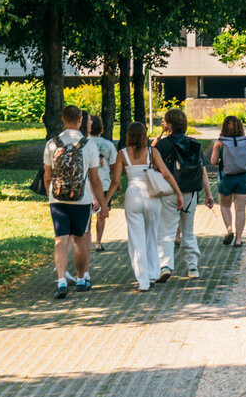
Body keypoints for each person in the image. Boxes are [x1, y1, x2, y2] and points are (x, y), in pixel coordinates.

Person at [106, 122, 183, 291]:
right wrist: (177, 193)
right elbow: (167, 174)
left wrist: (105, 203)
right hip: (152, 197)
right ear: (144, 135)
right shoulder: (152, 152)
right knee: (151, 236)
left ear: (128, 136)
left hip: (133, 195)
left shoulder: (122, 154)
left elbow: (115, 181)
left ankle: (143, 281)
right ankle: (153, 273)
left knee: (136, 240)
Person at [43, 105, 108, 299]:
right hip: (82, 200)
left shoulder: (51, 144)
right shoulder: (88, 145)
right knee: (80, 239)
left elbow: (48, 176)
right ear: (80, 120)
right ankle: (81, 279)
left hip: (58, 199)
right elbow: (95, 179)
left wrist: (51, 195)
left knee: (60, 239)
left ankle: (61, 280)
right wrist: (103, 204)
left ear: (63, 120)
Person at [153, 109, 214, 280]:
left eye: (164, 121)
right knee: (188, 230)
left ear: (169, 125)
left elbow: (155, 170)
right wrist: (208, 193)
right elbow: (202, 171)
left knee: (166, 230)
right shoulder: (194, 144)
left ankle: (165, 265)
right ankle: (192, 267)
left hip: (167, 192)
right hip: (190, 192)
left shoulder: (161, 146)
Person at [210, 116, 246, 247]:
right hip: (244, 177)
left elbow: (213, 161)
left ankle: (229, 230)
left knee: (225, 206)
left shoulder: (219, 142)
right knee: (241, 209)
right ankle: (238, 240)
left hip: (226, 178)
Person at [87, 116, 118, 252]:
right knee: (102, 214)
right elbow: (113, 166)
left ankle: (86, 239)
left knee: (87, 214)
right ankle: (98, 242)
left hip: (87, 184)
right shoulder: (109, 145)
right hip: (104, 183)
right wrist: (116, 182)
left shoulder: (84, 143)